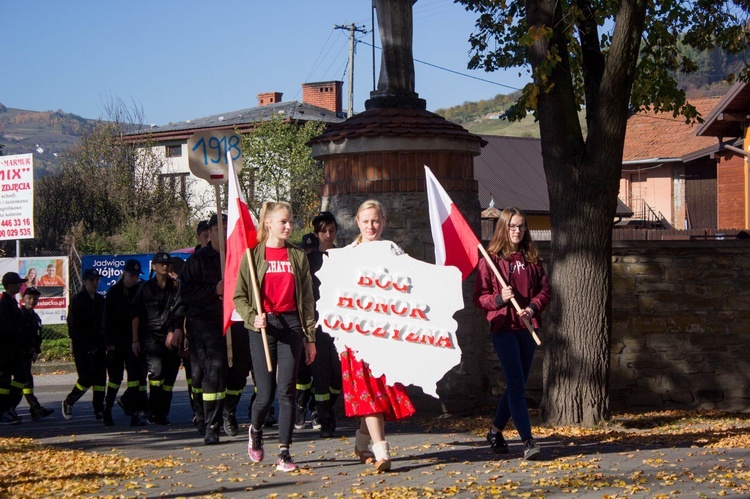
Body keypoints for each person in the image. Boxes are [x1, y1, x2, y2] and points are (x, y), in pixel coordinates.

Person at [234, 201, 317, 473]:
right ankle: (255, 430)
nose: (289, 226)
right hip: (262, 326)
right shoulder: (253, 255)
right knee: (265, 394)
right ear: (268, 223)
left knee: (287, 392)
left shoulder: (297, 257)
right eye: (283, 221)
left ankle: (284, 452)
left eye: (291, 221)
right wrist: (251, 317)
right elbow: (240, 297)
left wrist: (310, 336)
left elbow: (307, 301)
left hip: (291, 324)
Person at [341, 199, 415, 471]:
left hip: (384, 336)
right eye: (366, 221)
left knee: (379, 393)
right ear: (357, 222)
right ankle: (382, 452)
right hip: (356, 337)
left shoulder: (394, 251)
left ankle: (362, 444)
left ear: (383, 222)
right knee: (368, 394)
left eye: (375, 221)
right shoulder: (346, 255)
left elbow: (407, 289)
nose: (371, 226)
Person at [472, 207, 550, 461]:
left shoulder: (532, 259)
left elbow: (545, 291)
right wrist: (498, 298)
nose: (517, 231)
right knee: (516, 384)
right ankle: (528, 441)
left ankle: (495, 431)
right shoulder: (490, 260)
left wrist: (532, 307)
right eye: (512, 226)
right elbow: (479, 297)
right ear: (503, 228)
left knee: (517, 385)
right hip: (504, 328)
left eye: (521, 226)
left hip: (527, 328)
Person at [131, 252, 180, 425]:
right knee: (157, 373)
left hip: (171, 335)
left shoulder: (175, 287)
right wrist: (135, 340)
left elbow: (179, 312)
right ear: (154, 267)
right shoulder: (145, 288)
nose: (165, 266)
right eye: (161, 263)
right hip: (151, 336)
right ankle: (154, 412)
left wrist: (174, 331)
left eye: (167, 263)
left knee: (169, 378)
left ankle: (162, 414)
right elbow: (136, 315)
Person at [307, 211, 343, 438]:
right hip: (318, 324)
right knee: (320, 373)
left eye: (331, 231)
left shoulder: (343, 257)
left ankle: (330, 405)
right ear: (316, 234)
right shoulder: (308, 261)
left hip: (340, 325)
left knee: (338, 374)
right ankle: (324, 416)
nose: (328, 235)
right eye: (323, 231)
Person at [103, 259, 146, 426]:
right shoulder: (114, 292)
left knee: (134, 378)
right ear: (124, 273)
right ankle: (107, 410)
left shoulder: (138, 290)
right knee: (115, 378)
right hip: (116, 342)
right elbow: (106, 318)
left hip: (132, 341)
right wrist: (108, 340)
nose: (133, 279)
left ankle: (134, 414)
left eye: (136, 276)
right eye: (131, 275)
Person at [62, 269, 106, 421]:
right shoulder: (78, 299)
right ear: (85, 281)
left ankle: (99, 409)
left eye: (97, 280)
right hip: (83, 347)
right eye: (92, 280)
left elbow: (104, 324)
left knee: (100, 379)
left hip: (99, 346)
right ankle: (69, 401)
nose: (95, 283)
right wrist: (86, 345)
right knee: (86, 378)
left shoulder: (100, 300)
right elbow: (74, 326)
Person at [18, 286, 54, 421]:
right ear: (23, 299)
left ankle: (35, 409)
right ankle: (34, 409)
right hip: (20, 354)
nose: (32, 301)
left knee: (26, 382)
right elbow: (19, 336)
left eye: (35, 298)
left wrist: (36, 350)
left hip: (28, 354)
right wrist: (28, 349)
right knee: (25, 382)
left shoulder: (35, 317)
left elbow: (38, 336)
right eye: (29, 298)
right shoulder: (20, 316)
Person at [0, 272, 30, 425]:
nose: (21, 285)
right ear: (11, 285)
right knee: (4, 382)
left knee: (21, 376)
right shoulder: (4, 303)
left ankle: (9, 407)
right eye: (18, 283)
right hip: (5, 350)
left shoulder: (11, 301)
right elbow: (7, 328)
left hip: (14, 349)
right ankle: (3, 411)